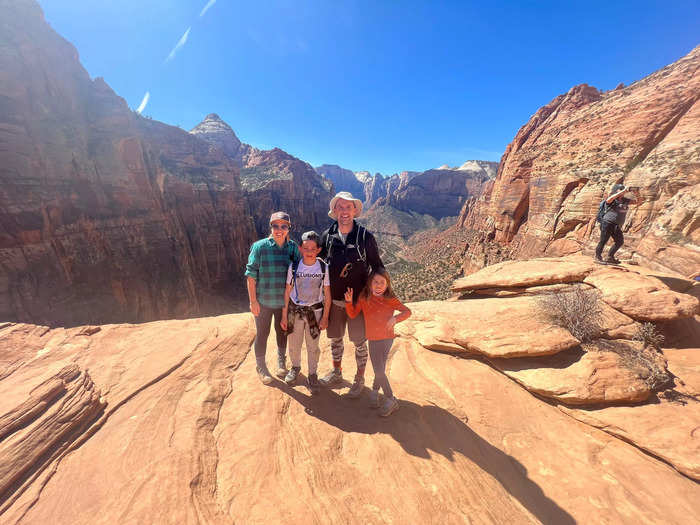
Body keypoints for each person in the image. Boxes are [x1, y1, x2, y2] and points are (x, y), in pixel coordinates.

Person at [318, 192, 385, 397]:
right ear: (335, 211)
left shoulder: (365, 237)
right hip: (335, 301)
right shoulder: (327, 236)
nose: (345, 212)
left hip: (358, 303)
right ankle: (337, 372)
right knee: (335, 339)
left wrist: (378, 297)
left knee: (359, 342)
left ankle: (359, 378)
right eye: (341, 207)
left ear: (354, 211)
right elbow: (317, 265)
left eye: (348, 207)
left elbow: (378, 267)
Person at [344, 268, 411, 417]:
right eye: (375, 282)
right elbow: (353, 314)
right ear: (370, 283)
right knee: (379, 369)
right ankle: (375, 392)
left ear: (387, 284)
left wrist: (395, 319)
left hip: (387, 338)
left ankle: (390, 398)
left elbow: (407, 311)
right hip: (373, 339)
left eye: (382, 282)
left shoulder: (390, 299)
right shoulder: (364, 298)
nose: (379, 285)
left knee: (379, 369)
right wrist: (349, 302)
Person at [245, 212, 300, 384]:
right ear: (271, 227)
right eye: (275, 226)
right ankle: (261, 366)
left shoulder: (292, 248)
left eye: (283, 226)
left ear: (288, 229)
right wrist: (253, 301)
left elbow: (301, 271)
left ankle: (281, 361)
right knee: (262, 333)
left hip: (283, 303)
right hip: (263, 302)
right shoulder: (260, 247)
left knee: (282, 331)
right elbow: (251, 275)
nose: (279, 230)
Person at [281, 231, 331, 395]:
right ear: (301, 249)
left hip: (314, 313)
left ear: (318, 250)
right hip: (294, 312)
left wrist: (325, 318)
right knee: (294, 344)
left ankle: (312, 374)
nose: (309, 251)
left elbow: (327, 294)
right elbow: (287, 292)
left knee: (313, 346)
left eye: (313, 248)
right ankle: (295, 368)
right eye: (306, 247)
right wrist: (283, 315)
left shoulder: (323, 267)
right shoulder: (294, 266)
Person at [595, 183, 642, 264]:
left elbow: (639, 202)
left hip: (616, 225)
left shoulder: (625, 200)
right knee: (603, 241)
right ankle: (597, 257)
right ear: (616, 191)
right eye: (620, 189)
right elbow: (609, 200)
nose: (623, 191)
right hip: (607, 222)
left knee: (619, 241)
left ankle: (610, 257)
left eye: (623, 189)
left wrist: (637, 193)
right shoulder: (612, 199)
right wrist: (624, 191)